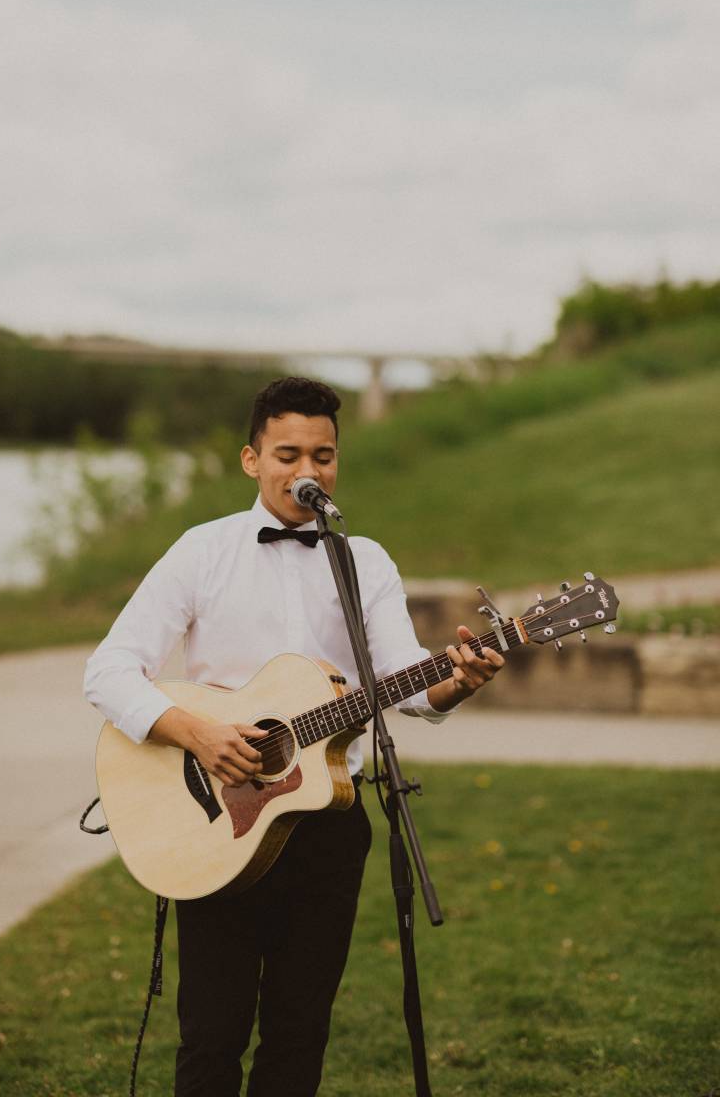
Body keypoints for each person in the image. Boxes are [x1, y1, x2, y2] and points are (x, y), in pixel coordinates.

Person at [84, 376, 504, 1097]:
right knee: (212, 1036)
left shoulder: (362, 560)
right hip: (215, 820)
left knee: (300, 1031)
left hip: (328, 827)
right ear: (252, 460)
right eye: (288, 455)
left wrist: (455, 682)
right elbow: (109, 669)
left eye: (323, 456)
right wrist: (197, 733)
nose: (307, 472)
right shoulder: (202, 551)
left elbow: (401, 676)